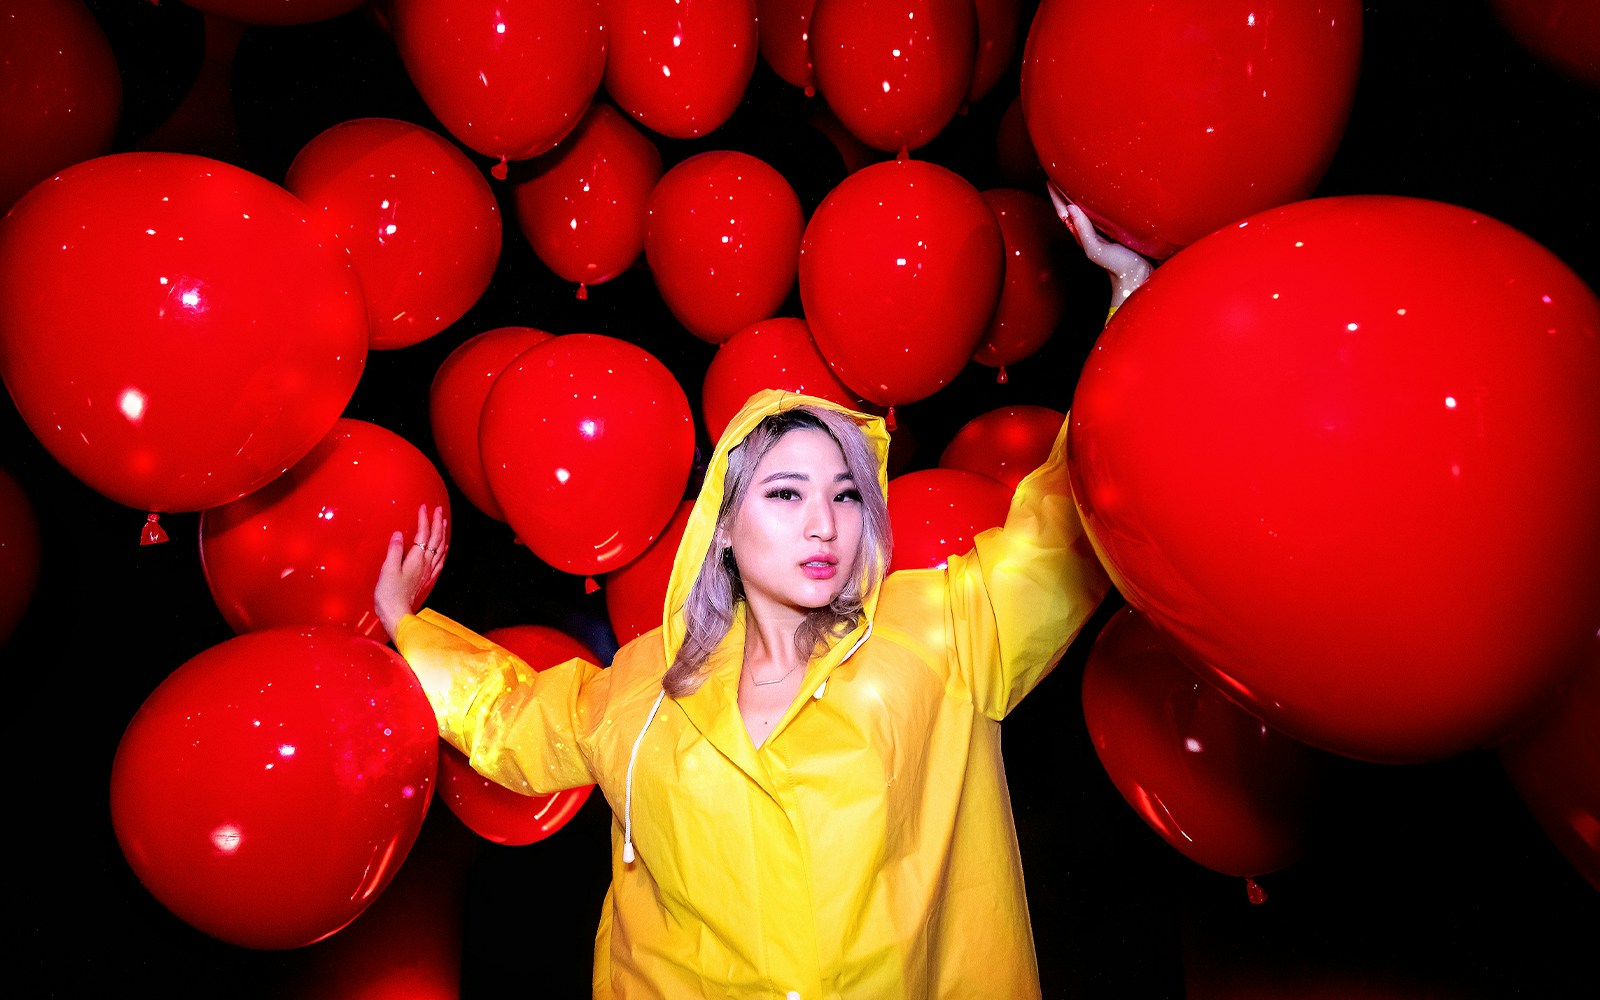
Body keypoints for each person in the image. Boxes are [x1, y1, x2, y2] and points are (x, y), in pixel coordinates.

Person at [373, 213, 1143, 998]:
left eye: (846, 495)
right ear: (726, 528)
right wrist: (407, 624)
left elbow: (1061, 531)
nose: (825, 522)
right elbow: (507, 722)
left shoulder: (945, 630)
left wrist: (1134, 308)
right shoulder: (639, 687)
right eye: (785, 493)